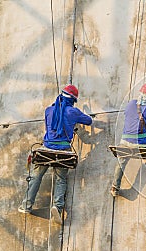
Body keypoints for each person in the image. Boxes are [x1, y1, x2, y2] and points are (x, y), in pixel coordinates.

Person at [18, 85, 93, 224]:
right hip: (63, 151)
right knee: (61, 179)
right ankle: (57, 208)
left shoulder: (49, 110)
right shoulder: (73, 111)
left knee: (36, 177)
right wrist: (75, 119)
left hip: (46, 149)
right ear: (72, 100)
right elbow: (89, 121)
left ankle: (26, 205)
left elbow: (49, 127)